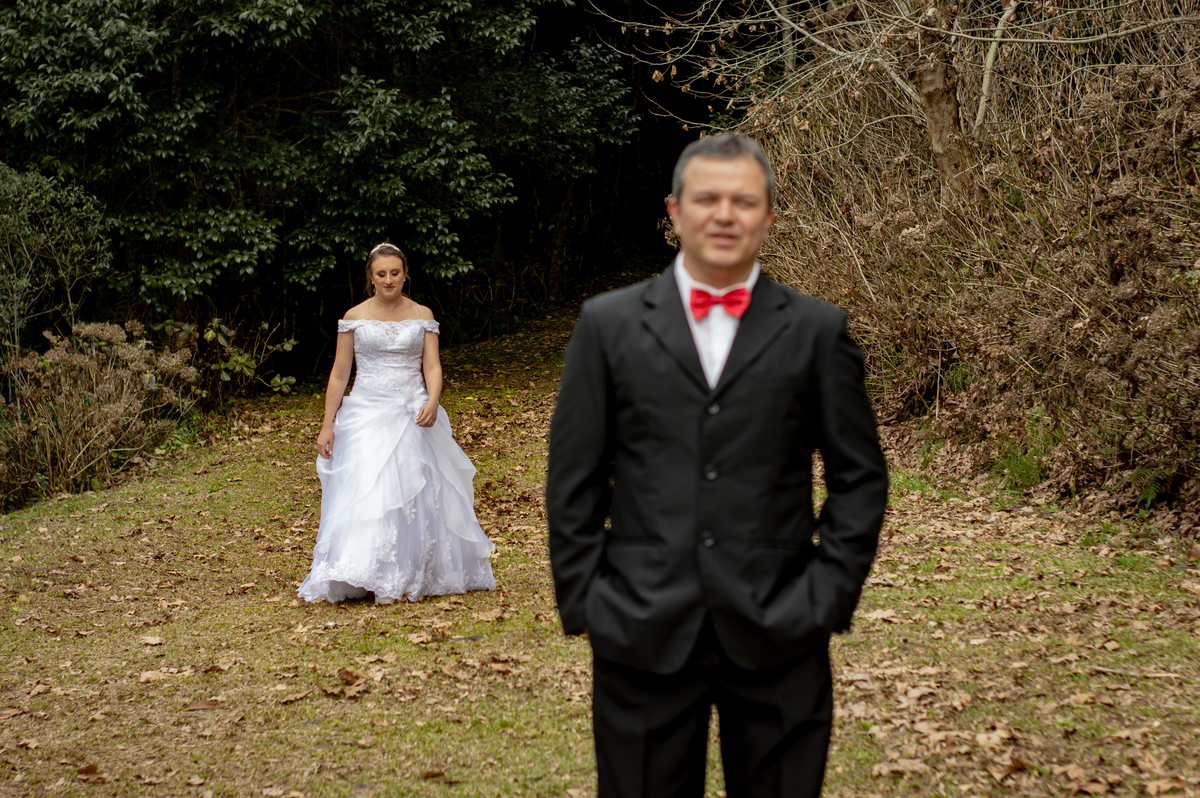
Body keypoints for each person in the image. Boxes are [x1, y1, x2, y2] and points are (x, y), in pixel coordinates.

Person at [546, 134, 888, 797]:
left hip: (781, 629)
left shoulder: (817, 331)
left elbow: (860, 477)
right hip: (641, 629)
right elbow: (573, 479)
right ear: (675, 213)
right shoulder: (608, 326)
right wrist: (589, 599)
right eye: (707, 199)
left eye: (744, 201)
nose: (725, 215)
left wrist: (827, 594)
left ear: (769, 217)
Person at [298, 242, 495, 604]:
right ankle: (364, 569)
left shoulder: (422, 314)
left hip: (412, 411)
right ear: (371, 278)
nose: (388, 280)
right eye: (381, 274)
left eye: (394, 273)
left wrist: (432, 400)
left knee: (415, 487)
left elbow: (432, 365)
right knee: (369, 487)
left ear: (405, 274)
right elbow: (340, 374)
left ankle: (413, 567)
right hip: (367, 411)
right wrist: (327, 424)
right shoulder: (354, 317)